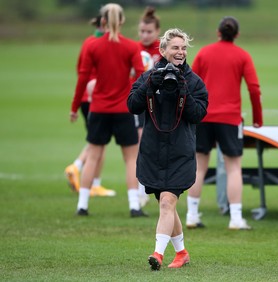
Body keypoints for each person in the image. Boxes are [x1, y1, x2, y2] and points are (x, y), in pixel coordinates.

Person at [127, 28, 208, 270]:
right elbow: (132, 105)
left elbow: (198, 114)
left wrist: (183, 90)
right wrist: (150, 84)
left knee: (167, 203)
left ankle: (157, 254)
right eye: (175, 47)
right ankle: (181, 252)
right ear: (163, 51)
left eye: (184, 48)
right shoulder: (149, 76)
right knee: (166, 205)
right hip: (153, 152)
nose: (181, 52)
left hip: (180, 152)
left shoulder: (194, 81)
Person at [70, 3, 146, 217]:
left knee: (93, 156)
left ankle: (82, 205)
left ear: (102, 21)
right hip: (124, 110)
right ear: (121, 21)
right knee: (130, 158)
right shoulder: (131, 47)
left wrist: (75, 107)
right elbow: (141, 76)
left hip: (99, 108)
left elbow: (83, 78)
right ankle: (134, 206)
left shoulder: (93, 46)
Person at [189, 16, 263, 230]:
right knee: (233, 168)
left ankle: (192, 215)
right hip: (230, 119)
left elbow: (191, 84)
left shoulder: (204, 52)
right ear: (236, 35)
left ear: (217, 32)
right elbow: (254, 88)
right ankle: (235, 218)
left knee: (199, 167)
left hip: (203, 117)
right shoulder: (242, 55)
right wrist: (258, 118)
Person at [65, 15, 116, 197]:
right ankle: (92, 182)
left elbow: (80, 69)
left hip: (87, 98)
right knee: (98, 143)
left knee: (96, 141)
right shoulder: (102, 43)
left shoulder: (88, 41)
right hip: (98, 97)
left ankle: (78, 168)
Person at [134, 6, 162, 207]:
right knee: (142, 144)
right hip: (141, 101)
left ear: (157, 32)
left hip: (160, 103)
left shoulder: (163, 49)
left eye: (149, 31)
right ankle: (141, 189)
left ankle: (159, 185)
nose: (145, 35)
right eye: (142, 31)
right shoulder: (133, 49)